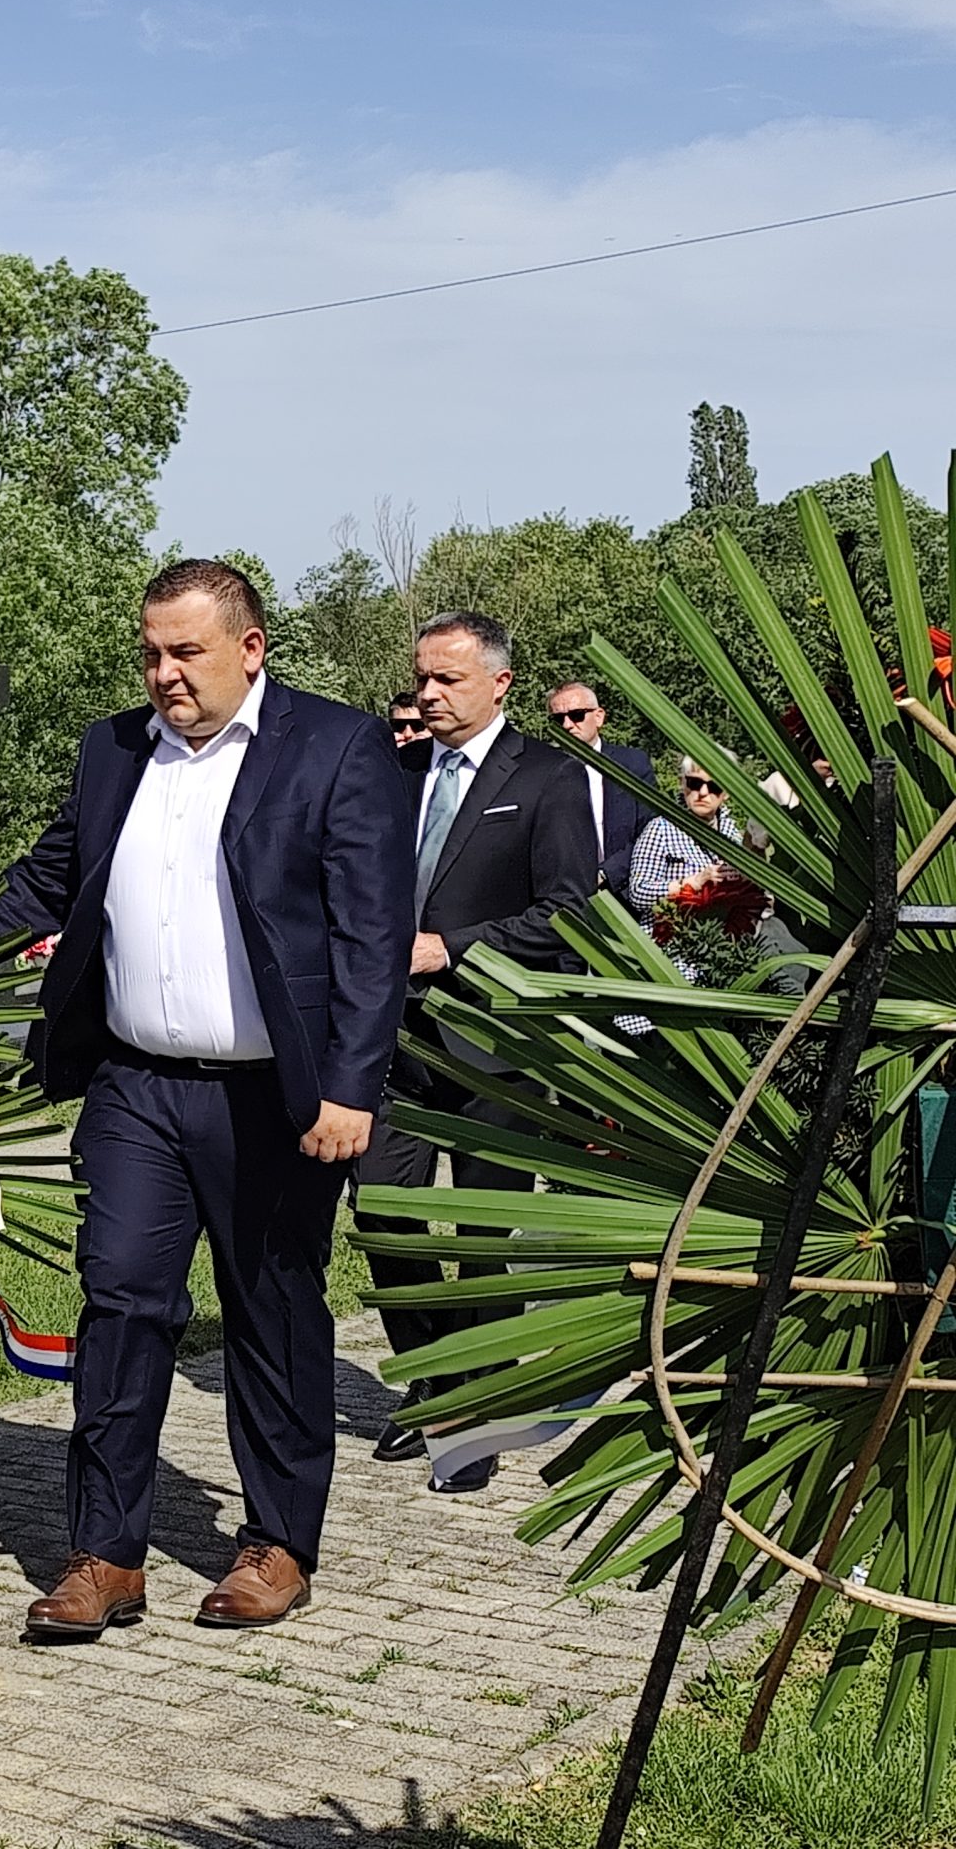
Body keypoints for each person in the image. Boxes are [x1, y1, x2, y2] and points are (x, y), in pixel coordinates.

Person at [0, 560, 412, 1635]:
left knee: (270, 1309)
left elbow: (372, 936)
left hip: (275, 1097)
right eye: (151, 654)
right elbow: (45, 882)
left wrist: (349, 1086)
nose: (165, 674)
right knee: (120, 1302)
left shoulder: (335, 747)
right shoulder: (112, 750)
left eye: (187, 652)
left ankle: (277, 1541)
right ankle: (105, 1555)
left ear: (249, 649)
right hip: (135, 1087)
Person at [354, 615, 597, 1492]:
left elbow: (569, 911)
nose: (428, 694)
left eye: (447, 679)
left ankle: (478, 1410)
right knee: (381, 1212)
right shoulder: (393, 772)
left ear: (499, 683)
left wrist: (450, 948)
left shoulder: (549, 777)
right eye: (422, 677)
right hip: (391, 1041)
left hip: (495, 1044)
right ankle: (435, 1380)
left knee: (486, 1236)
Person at [544, 681, 655, 899]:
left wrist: (607, 873)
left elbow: (650, 832)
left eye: (576, 715)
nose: (567, 725)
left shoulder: (632, 765)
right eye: (558, 719)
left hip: (627, 891)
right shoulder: (543, 772)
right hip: (567, 897)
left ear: (598, 717)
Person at [628, 757, 745, 913]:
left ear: (727, 793)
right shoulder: (661, 829)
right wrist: (694, 883)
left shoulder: (733, 835)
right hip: (674, 925)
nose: (703, 793)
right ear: (682, 783)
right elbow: (638, 894)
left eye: (714, 786)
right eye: (695, 783)